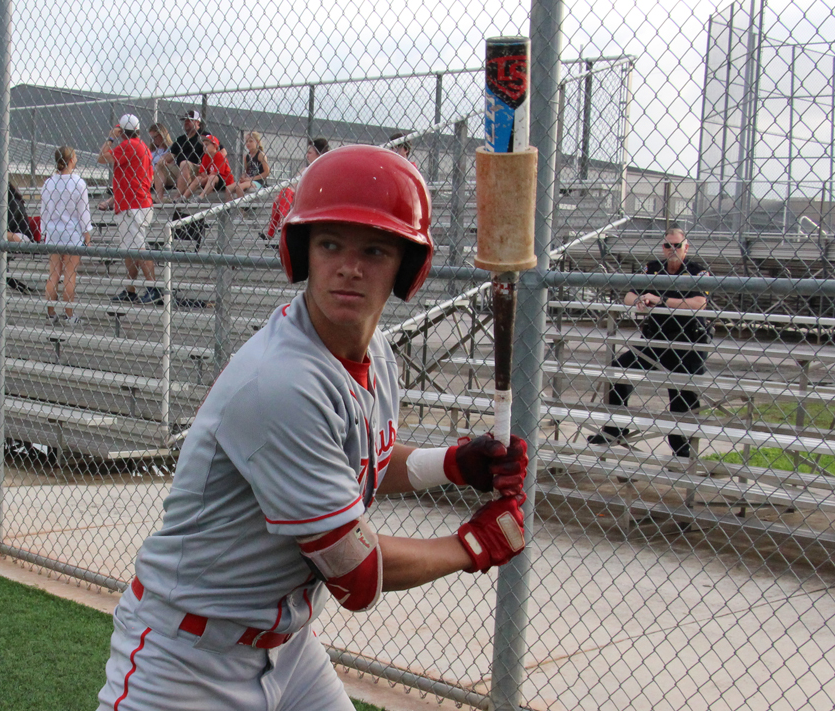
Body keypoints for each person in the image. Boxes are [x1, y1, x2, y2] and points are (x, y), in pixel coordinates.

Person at [96, 145, 530, 711]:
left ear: (406, 266)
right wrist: (472, 545)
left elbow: (362, 459)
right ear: (302, 252)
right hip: (188, 661)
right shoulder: (282, 382)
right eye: (330, 244)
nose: (349, 266)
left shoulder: (375, 354)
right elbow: (356, 574)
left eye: (374, 249)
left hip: (290, 648)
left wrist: (451, 464)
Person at [587, 227, 710, 459]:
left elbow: (699, 303)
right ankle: (615, 428)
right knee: (618, 369)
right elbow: (628, 296)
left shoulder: (696, 271)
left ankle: (682, 449)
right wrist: (641, 300)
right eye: (667, 245)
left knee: (682, 394)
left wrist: (661, 300)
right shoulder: (653, 268)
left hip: (687, 344)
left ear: (686, 247)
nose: (672, 249)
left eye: (677, 245)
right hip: (656, 340)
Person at [98, 114, 162, 305]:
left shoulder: (129, 145)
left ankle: (153, 288)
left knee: (138, 248)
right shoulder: (142, 146)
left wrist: (111, 137)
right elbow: (132, 180)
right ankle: (130, 290)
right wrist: (112, 200)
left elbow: (101, 157)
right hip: (134, 203)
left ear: (122, 131)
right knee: (130, 250)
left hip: (133, 206)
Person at [41, 146, 92, 325]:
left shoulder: (48, 183)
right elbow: (83, 212)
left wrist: (44, 231)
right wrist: (87, 234)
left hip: (53, 232)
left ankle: (50, 314)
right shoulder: (78, 183)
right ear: (71, 160)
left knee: (53, 274)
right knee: (70, 275)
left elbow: (44, 211)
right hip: (72, 233)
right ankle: (69, 315)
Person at [262, 137, 330, 242]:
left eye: (310, 153)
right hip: (296, 197)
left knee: (284, 194)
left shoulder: (324, 169)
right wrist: (282, 196)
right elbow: (292, 187)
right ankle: (273, 232)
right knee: (281, 196)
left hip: (309, 198)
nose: (307, 155)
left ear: (319, 154)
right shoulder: (304, 170)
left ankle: (281, 225)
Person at [181, 133, 245, 201]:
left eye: (207, 145)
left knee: (212, 177)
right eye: (203, 145)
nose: (204, 147)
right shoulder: (205, 156)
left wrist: (205, 179)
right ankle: (184, 197)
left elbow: (216, 173)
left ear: (215, 145)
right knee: (198, 178)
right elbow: (202, 171)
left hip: (225, 182)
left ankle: (200, 197)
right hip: (210, 180)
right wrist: (203, 178)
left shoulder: (220, 156)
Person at [164, 110, 206, 197]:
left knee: (184, 163)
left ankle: (177, 197)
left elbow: (222, 152)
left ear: (197, 122)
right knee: (160, 166)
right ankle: (159, 198)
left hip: (197, 169)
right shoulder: (181, 139)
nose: (186, 122)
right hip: (181, 169)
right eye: (185, 120)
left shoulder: (205, 136)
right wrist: (163, 160)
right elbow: (171, 155)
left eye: (189, 120)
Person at [147, 123, 177, 197]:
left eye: (155, 137)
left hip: (160, 174)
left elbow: (171, 164)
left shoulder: (170, 149)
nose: (153, 140)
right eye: (151, 138)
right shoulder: (151, 150)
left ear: (162, 135)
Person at [236, 130, 270, 194]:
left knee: (239, 187)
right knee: (229, 188)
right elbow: (247, 171)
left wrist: (251, 179)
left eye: (251, 141)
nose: (248, 143)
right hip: (249, 181)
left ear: (257, 142)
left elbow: (267, 172)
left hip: (259, 182)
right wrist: (243, 177)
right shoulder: (246, 156)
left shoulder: (260, 155)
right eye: (246, 141)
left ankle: (242, 201)